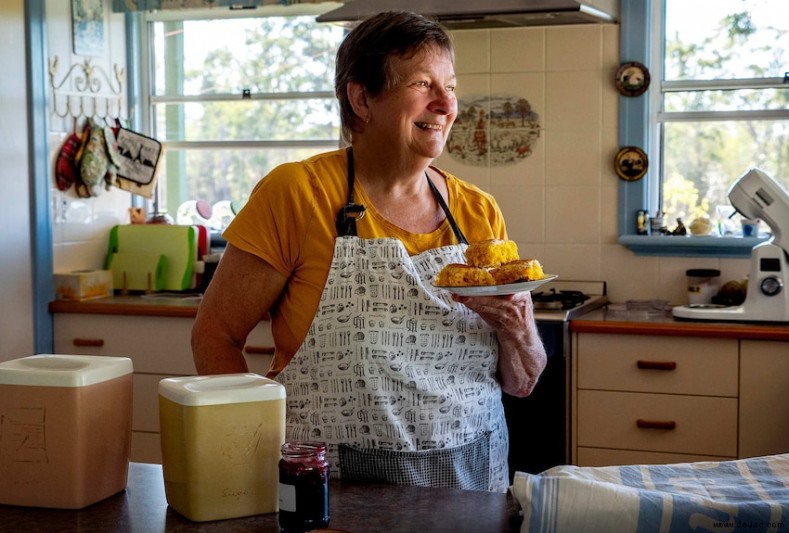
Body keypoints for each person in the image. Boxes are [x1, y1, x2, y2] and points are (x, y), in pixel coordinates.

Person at [192, 10, 547, 493]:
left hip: (470, 483)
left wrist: (519, 329)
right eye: (424, 84)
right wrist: (256, 452)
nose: (446, 104)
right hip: (334, 488)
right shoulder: (299, 194)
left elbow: (521, 383)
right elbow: (214, 337)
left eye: (451, 86)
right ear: (362, 99)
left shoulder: (477, 211)